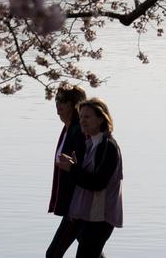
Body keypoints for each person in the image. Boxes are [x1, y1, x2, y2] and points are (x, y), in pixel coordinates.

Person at [57, 98, 123, 258]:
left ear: (101, 118)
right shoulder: (90, 144)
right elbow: (85, 178)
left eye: (87, 117)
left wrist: (72, 169)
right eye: (80, 117)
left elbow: (98, 183)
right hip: (85, 213)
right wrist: (74, 167)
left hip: (100, 217)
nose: (82, 121)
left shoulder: (108, 146)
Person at [46, 84, 88, 258]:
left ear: (74, 104)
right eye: (56, 100)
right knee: (91, 252)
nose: (58, 105)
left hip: (77, 205)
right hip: (75, 204)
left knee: (53, 253)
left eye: (62, 101)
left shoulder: (78, 131)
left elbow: (83, 168)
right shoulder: (69, 128)